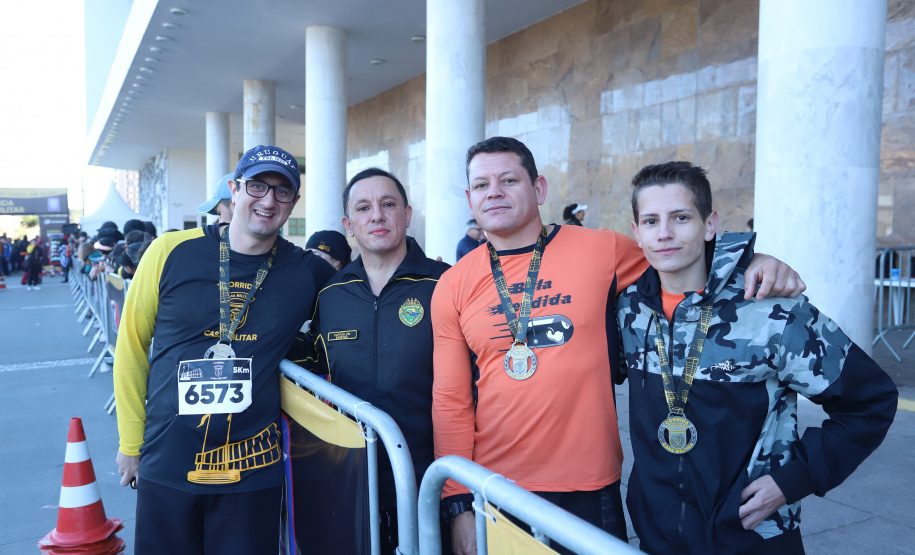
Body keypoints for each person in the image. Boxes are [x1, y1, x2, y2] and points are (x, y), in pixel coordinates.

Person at [431, 137, 804, 555]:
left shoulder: (602, 249)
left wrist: (753, 259)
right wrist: (457, 501)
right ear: (469, 198)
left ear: (539, 189)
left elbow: (682, 252)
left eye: (508, 179)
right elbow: (450, 400)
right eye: (481, 185)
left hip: (587, 485)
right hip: (494, 486)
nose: (494, 192)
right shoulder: (453, 284)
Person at [618, 161, 898, 554]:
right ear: (637, 232)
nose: (664, 233)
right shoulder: (628, 310)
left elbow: (871, 402)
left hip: (750, 533)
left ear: (710, 224)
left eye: (681, 217)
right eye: (650, 221)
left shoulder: (774, 312)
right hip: (658, 531)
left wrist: (792, 480)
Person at [113, 145, 335, 555]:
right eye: (257, 186)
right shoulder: (167, 252)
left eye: (282, 191)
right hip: (168, 461)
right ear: (234, 189)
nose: (268, 200)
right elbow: (130, 351)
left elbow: (360, 295)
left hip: (253, 473)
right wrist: (130, 445)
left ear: (294, 203)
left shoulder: (307, 272)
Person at [289, 168, 450, 553]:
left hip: (431, 482)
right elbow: (306, 365)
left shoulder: (445, 284)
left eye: (388, 204)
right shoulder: (331, 294)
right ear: (349, 224)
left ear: (407, 214)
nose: (376, 215)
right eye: (364, 207)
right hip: (351, 482)